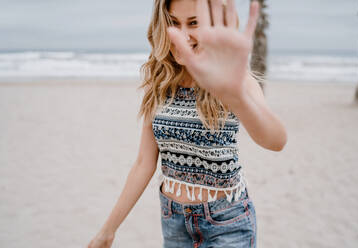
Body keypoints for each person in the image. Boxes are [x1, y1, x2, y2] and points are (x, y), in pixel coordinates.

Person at [87, 0, 287, 247]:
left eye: (194, 23)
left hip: (227, 222)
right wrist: (109, 229)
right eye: (173, 22)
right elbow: (144, 162)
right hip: (174, 223)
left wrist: (237, 96)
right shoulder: (159, 82)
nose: (183, 36)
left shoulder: (235, 81)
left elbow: (276, 141)